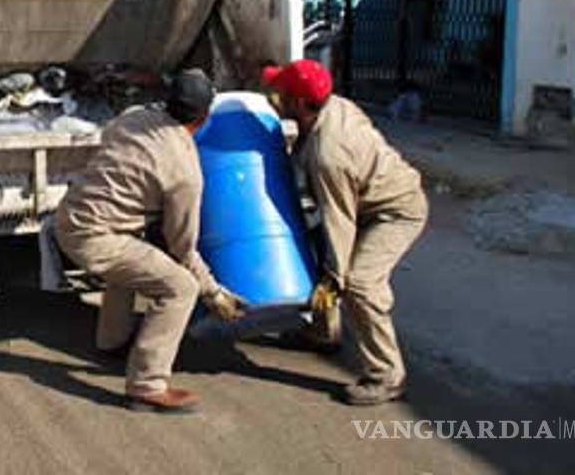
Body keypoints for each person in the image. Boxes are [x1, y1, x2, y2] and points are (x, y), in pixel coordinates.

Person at [55, 70, 249, 414]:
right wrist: (214, 292)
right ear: (204, 118)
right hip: (94, 236)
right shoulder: (185, 171)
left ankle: (112, 341)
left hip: (70, 216)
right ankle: (147, 385)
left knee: (133, 258)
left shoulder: (134, 117)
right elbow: (183, 250)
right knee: (180, 287)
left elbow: (117, 139)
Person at [262, 60, 428, 406]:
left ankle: (387, 375)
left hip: (396, 212)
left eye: (283, 93)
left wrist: (335, 277)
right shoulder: (333, 106)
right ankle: (323, 333)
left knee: (359, 283)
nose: (276, 97)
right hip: (364, 199)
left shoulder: (330, 154)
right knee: (315, 243)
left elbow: (340, 218)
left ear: (301, 103)